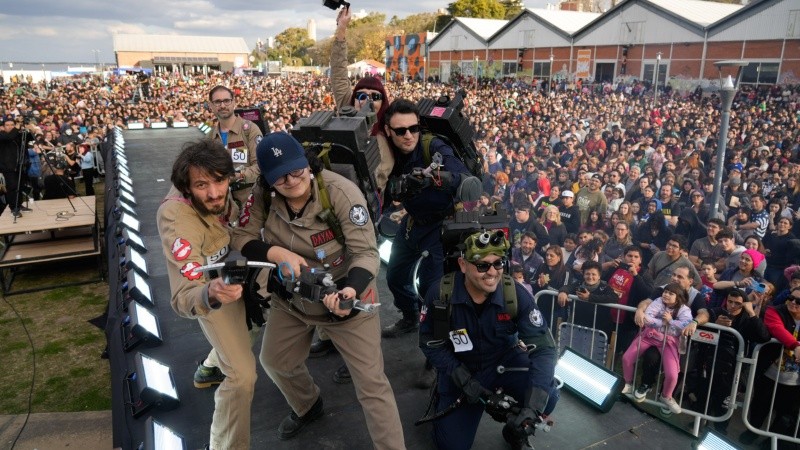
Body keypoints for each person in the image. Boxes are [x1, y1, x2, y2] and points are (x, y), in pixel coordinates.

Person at [229, 132, 405, 447]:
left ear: (308, 165)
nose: (292, 180)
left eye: (297, 170)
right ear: (268, 181)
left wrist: (350, 292)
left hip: (344, 298)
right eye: (280, 177)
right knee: (275, 361)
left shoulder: (340, 193)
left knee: (372, 386)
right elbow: (240, 236)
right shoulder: (263, 195)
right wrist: (276, 254)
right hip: (293, 298)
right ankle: (308, 404)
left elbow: (366, 254)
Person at [419, 230, 558, 450]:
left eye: (498, 263)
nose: (492, 272)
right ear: (463, 265)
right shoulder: (440, 294)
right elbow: (430, 343)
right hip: (461, 368)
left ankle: (515, 430)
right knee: (452, 446)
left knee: (547, 394)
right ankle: (441, 398)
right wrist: (465, 381)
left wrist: (532, 409)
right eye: (482, 265)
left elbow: (544, 349)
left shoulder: (515, 295)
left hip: (503, 364)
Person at [156, 139, 250, 450]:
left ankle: (210, 364)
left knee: (257, 329)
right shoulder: (178, 218)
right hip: (217, 296)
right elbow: (184, 295)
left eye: (220, 181)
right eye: (201, 185)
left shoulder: (229, 187)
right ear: (186, 187)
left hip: (244, 281)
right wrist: (210, 292)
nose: (214, 193)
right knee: (242, 377)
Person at [382, 99, 473, 337]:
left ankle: (436, 345)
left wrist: (432, 179)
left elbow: (462, 178)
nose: (408, 135)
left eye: (413, 128)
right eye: (400, 131)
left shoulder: (432, 146)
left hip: (440, 226)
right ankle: (410, 316)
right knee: (395, 276)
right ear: (388, 131)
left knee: (433, 290)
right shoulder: (387, 152)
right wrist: (396, 186)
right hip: (412, 223)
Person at [330, 6, 393, 193]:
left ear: (383, 102)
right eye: (362, 95)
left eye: (375, 96)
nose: (367, 100)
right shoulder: (345, 110)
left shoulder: (388, 132)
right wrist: (342, 29)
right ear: (353, 99)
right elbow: (339, 73)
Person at [691, 289, 770, 432]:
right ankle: (697, 424)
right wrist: (715, 325)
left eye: (737, 303)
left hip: (732, 371)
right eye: (730, 301)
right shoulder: (716, 312)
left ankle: (720, 431)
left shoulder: (747, 319)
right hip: (707, 364)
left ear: (744, 304)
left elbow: (763, 337)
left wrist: (752, 312)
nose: (732, 306)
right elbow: (699, 331)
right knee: (703, 397)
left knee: (724, 403)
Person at [621, 282, 693, 414]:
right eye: (665, 291)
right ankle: (628, 383)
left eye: (671, 293)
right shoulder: (658, 301)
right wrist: (663, 322)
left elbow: (685, 325)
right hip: (649, 336)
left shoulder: (684, 310)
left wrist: (670, 321)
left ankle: (666, 396)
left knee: (672, 374)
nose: (666, 295)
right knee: (627, 358)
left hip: (669, 342)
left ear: (678, 297)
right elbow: (647, 317)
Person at [206, 85, 263, 208]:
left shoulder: (250, 130)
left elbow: (261, 166)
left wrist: (238, 176)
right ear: (211, 106)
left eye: (226, 100)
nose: (222, 105)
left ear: (234, 102)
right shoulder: (210, 137)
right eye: (217, 102)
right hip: (222, 204)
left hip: (250, 202)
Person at [0, 116, 26, 216]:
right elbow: (8, 138)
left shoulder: (16, 135)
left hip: (18, 165)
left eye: (12, 125)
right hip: (7, 166)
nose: (10, 127)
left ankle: (19, 204)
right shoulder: (2, 135)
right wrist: (17, 128)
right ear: (3, 127)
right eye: (7, 125)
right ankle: (13, 207)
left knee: (20, 186)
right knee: (12, 187)